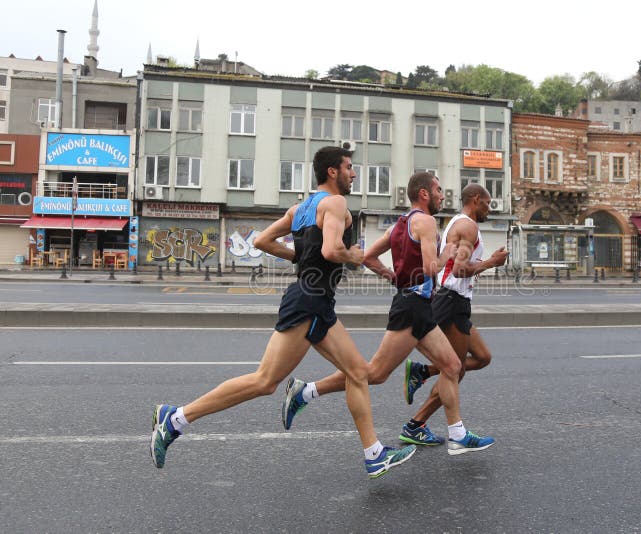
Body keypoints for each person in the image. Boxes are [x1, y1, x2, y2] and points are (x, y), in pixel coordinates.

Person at [149, 146, 416, 479]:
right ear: (332, 172)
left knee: (359, 373)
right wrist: (354, 255)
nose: (354, 174)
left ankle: (374, 453)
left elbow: (262, 241)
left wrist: (297, 258)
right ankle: (175, 420)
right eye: (349, 168)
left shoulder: (300, 208)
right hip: (309, 301)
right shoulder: (335, 203)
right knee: (264, 381)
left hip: (316, 301)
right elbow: (331, 249)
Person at [281, 172, 496, 455]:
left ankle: (457, 435)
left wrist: (391, 275)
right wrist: (448, 256)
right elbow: (432, 268)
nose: (443, 196)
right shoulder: (427, 222)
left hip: (416, 306)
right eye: (439, 190)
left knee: (453, 366)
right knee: (374, 373)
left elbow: (368, 257)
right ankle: (305, 391)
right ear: (423, 194)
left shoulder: (398, 226)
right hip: (411, 309)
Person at [399, 184, 508, 447]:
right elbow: (459, 270)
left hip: (454, 300)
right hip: (452, 300)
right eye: (487, 204)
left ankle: (423, 371)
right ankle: (416, 425)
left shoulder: (457, 224)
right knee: (454, 371)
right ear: (475, 199)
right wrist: (492, 263)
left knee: (482, 357)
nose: (488, 209)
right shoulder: (468, 226)